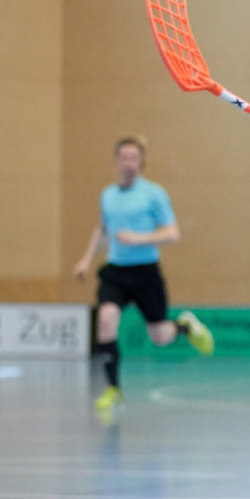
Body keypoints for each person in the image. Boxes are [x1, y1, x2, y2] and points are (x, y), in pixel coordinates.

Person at [72, 135, 214, 412]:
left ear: (141, 163)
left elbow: (172, 234)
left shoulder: (154, 194)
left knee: (160, 336)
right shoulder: (107, 195)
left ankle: (184, 327)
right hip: (115, 271)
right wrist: (86, 260)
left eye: (134, 158)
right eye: (124, 157)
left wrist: (137, 238)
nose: (128, 163)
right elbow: (103, 230)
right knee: (106, 319)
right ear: (116, 161)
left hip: (145, 273)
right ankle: (113, 389)